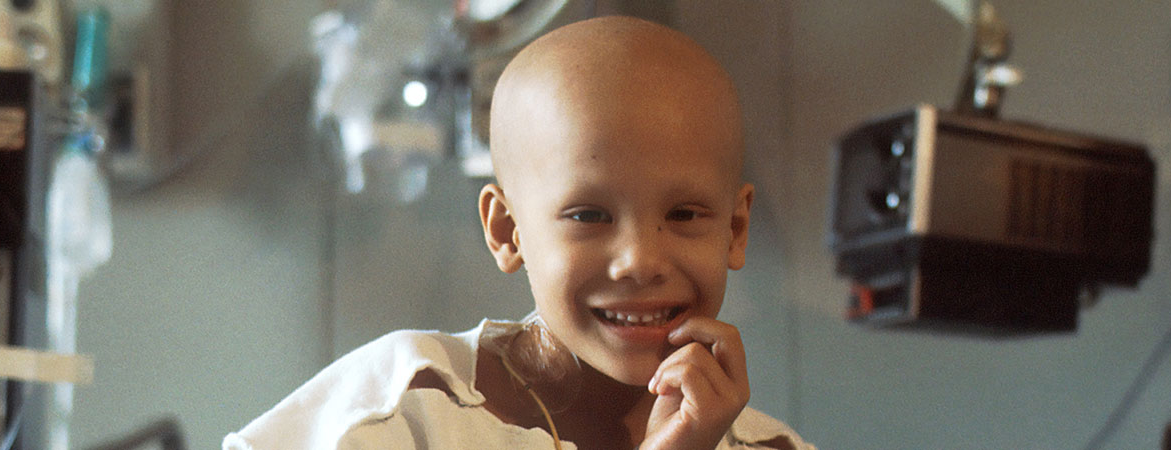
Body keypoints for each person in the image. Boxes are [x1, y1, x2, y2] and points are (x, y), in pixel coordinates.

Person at [223, 16, 812, 450]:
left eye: (683, 214)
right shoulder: (397, 415)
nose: (639, 260)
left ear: (735, 229)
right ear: (507, 230)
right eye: (588, 216)